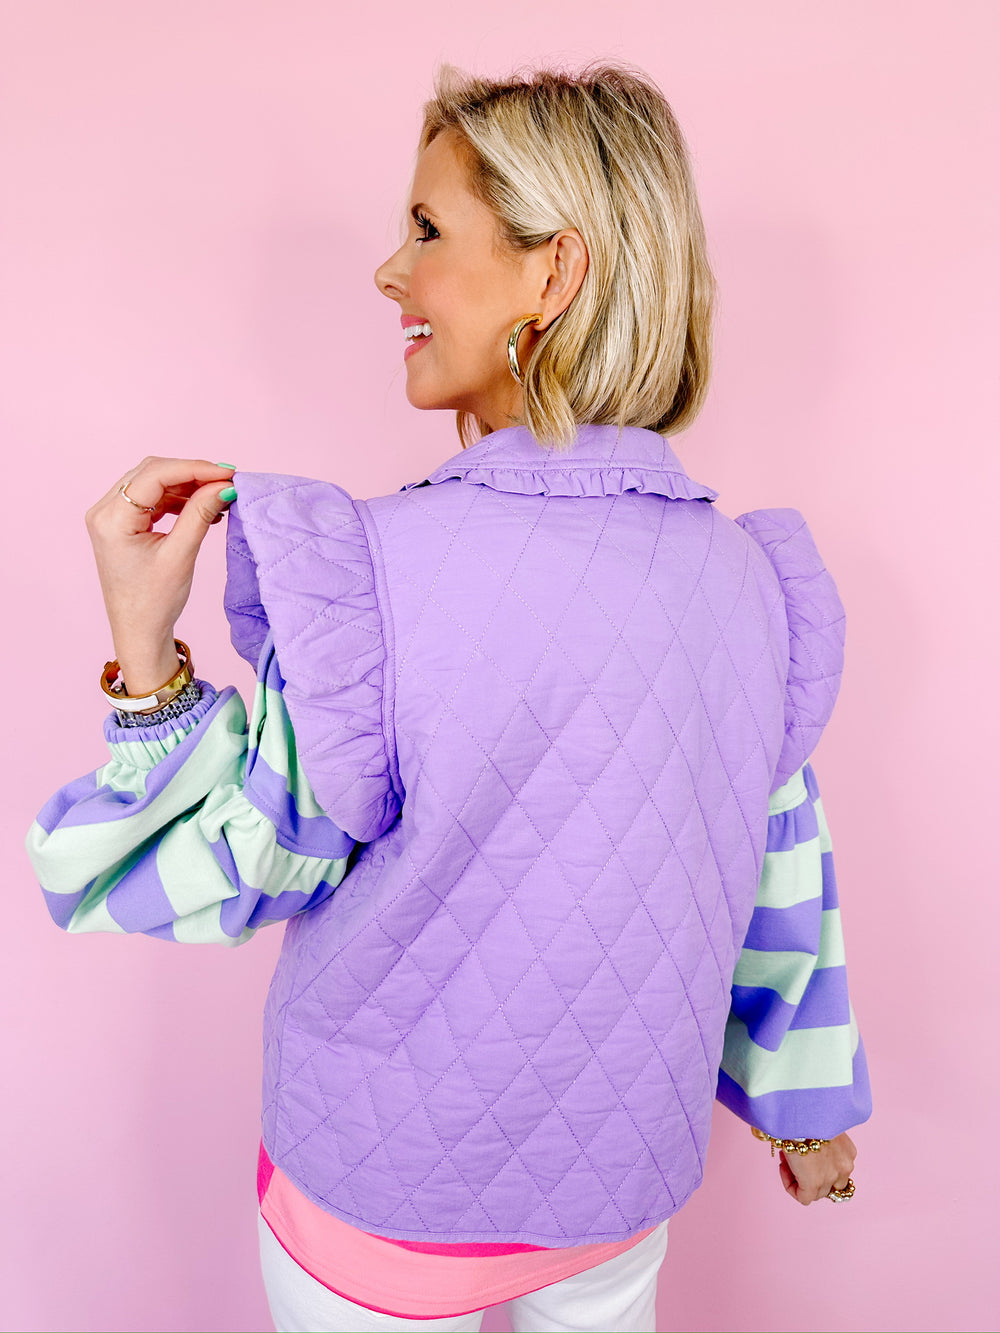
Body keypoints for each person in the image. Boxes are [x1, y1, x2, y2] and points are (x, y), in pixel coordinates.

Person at [26, 63, 871, 1333]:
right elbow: (780, 870)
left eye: (426, 229)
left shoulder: (368, 574)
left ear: (553, 270)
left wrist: (148, 665)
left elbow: (226, 872)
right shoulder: (754, 582)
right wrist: (805, 1111)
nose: (389, 272)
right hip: (612, 1190)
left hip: (381, 1197)